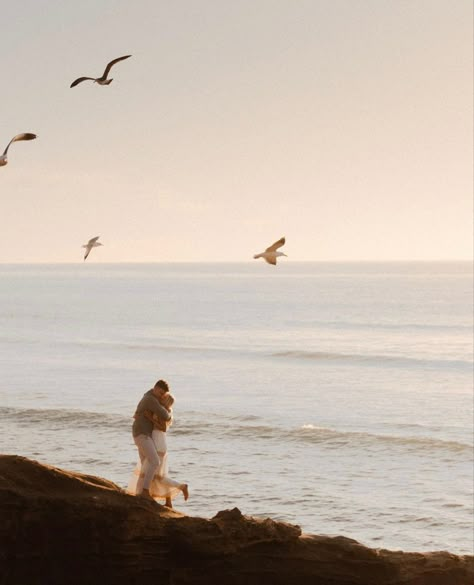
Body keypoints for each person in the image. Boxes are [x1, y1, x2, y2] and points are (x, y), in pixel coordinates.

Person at [142, 392, 189, 507]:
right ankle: (168, 502)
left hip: (158, 442)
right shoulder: (164, 410)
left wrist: (150, 418)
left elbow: (163, 428)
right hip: (160, 442)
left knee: (156, 475)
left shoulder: (163, 411)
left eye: (164, 397)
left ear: (166, 401)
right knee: (160, 474)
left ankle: (181, 486)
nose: (161, 397)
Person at [131, 379, 173, 500]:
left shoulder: (148, 396)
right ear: (155, 387)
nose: (161, 396)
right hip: (142, 434)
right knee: (155, 461)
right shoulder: (150, 399)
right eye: (160, 393)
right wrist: (169, 411)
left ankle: (139, 493)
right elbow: (165, 415)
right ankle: (144, 491)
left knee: (145, 464)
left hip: (140, 433)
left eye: (162, 395)